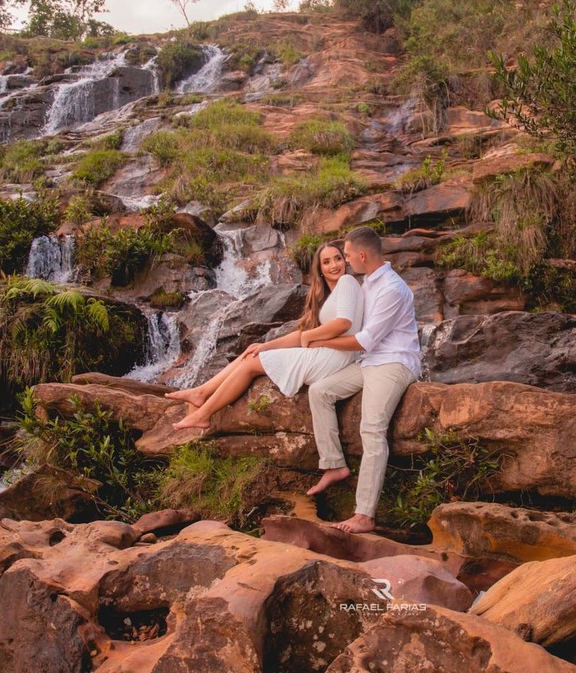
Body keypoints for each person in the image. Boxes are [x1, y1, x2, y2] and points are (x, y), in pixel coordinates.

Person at [167, 243, 363, 430]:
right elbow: (301, 335)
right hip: (330, 354)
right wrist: (266, 345)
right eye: (326, 262)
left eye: (338, 258)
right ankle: (201, 392)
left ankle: (203, 415)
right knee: (251, 354)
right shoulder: (328, 296)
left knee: (252, 364)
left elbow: (343, 323)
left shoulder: (347, 282)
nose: (334, 265)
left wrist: (309, 337)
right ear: (319, 269)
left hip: (336, 356)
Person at [303, 226, 421, 534]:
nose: (346, 260)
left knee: (371, 429)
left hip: (393, 363)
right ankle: (334, 464)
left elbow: (366, 340)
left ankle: (365, 514)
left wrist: (319, 343)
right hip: (369, 362)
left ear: (363, 255)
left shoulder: (391, 289)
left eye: (348, 254)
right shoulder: (366, 282)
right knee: (320, 391)